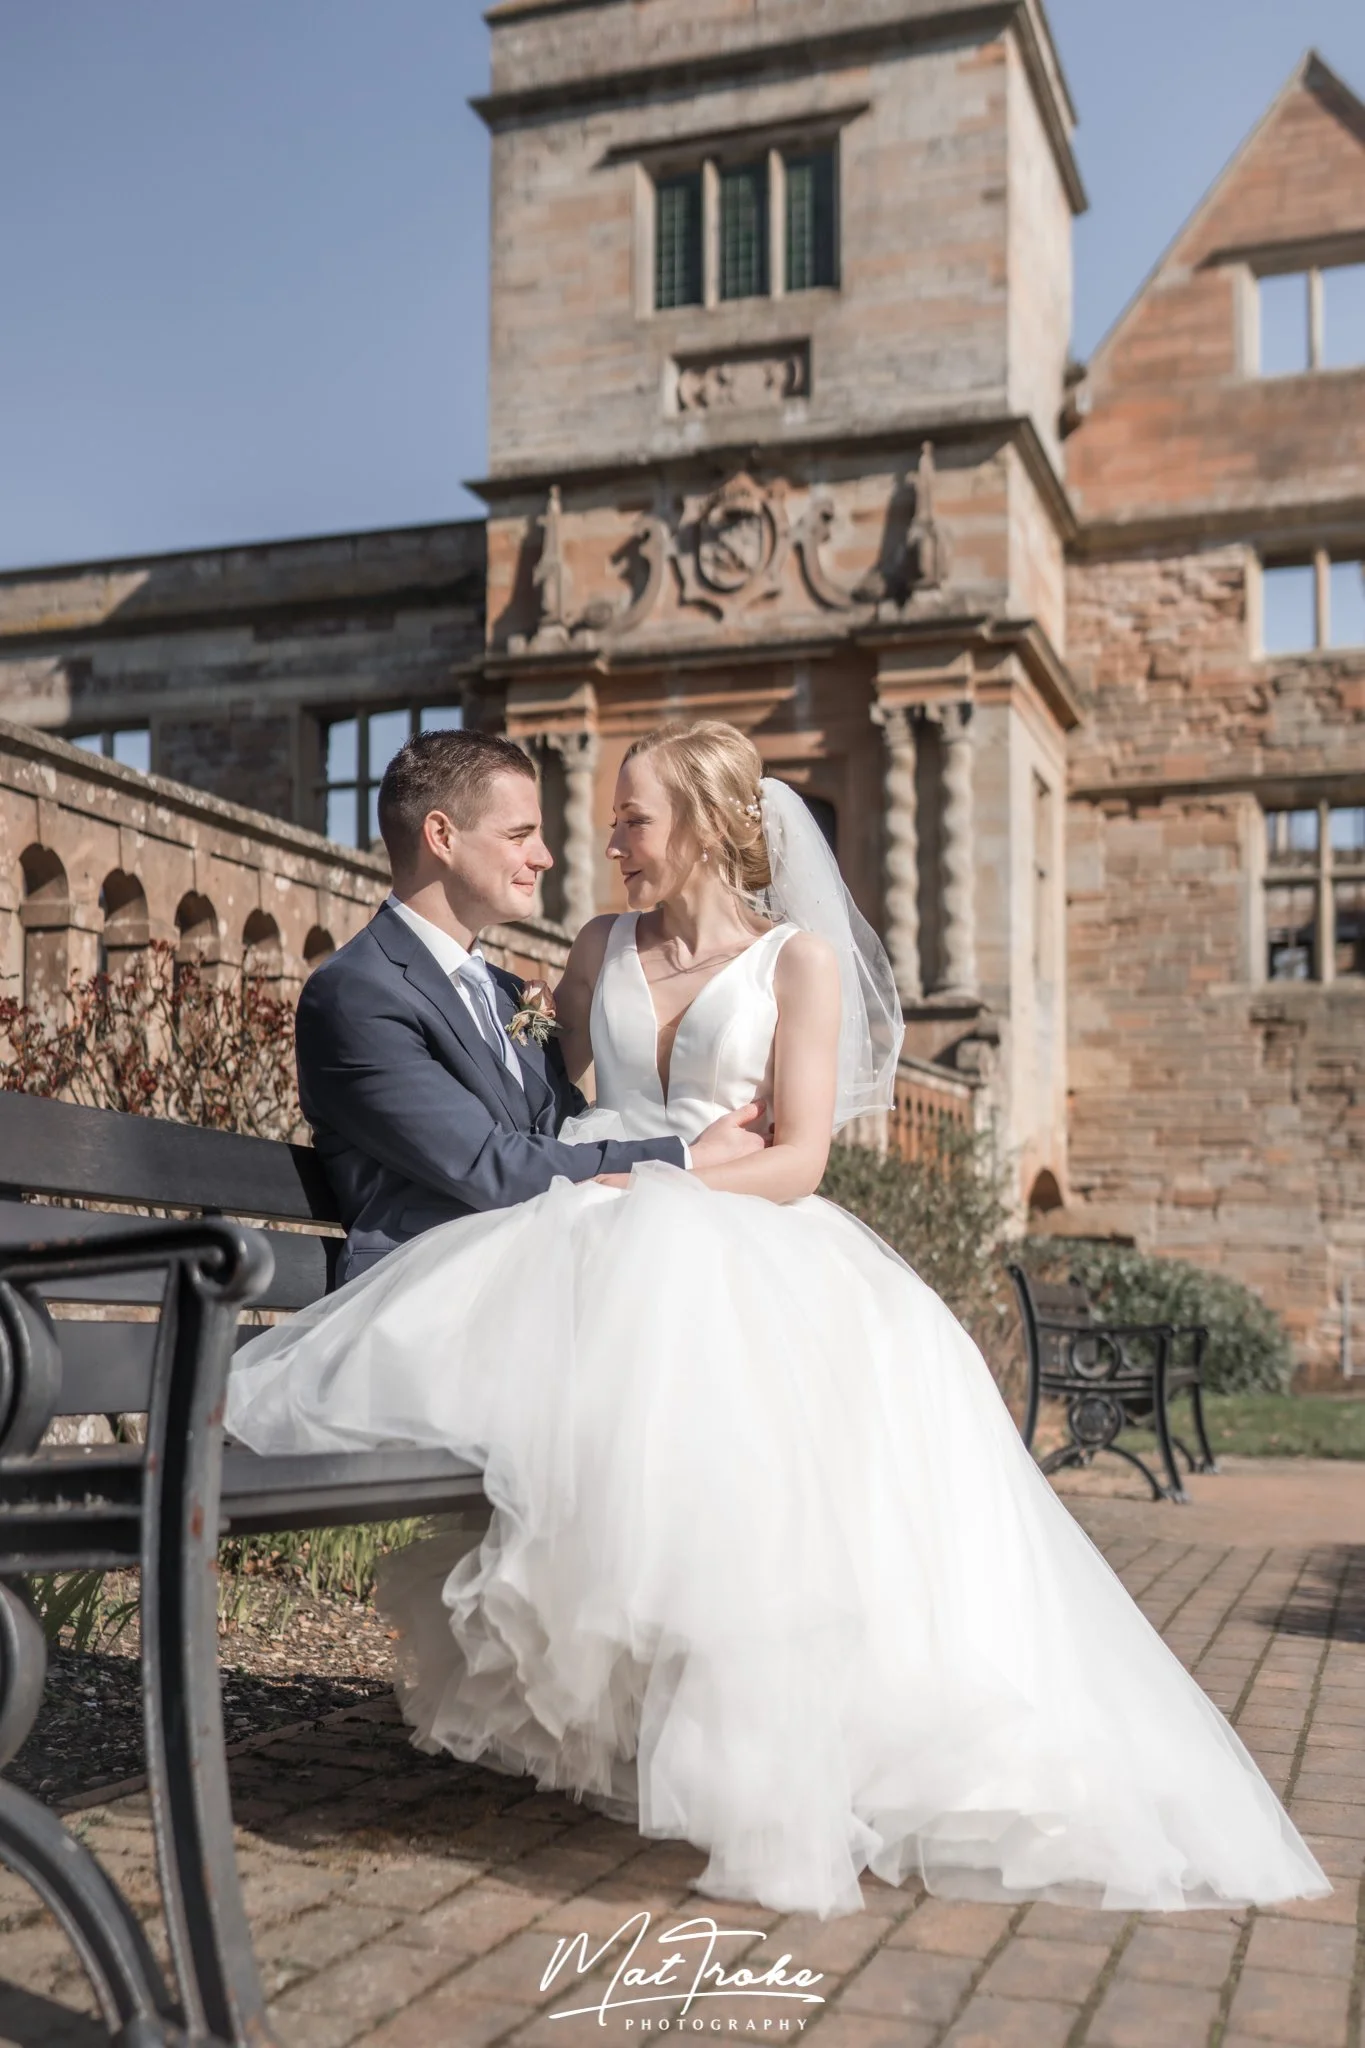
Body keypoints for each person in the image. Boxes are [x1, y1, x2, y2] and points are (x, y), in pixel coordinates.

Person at [227, 719, 1328, 1920]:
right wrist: (654, 1168)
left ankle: (795, 1744)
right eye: (561, 826)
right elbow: (539, 1124)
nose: (597, 845)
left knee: (787, 1419)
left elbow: (794, 1154)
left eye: (629, 819)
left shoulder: (793, 962)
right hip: (602, 1220)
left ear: (699, 825)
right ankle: (656, 1731)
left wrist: (668, 1181)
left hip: (711, 1220)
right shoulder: (589, 954)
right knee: (649, 1411)